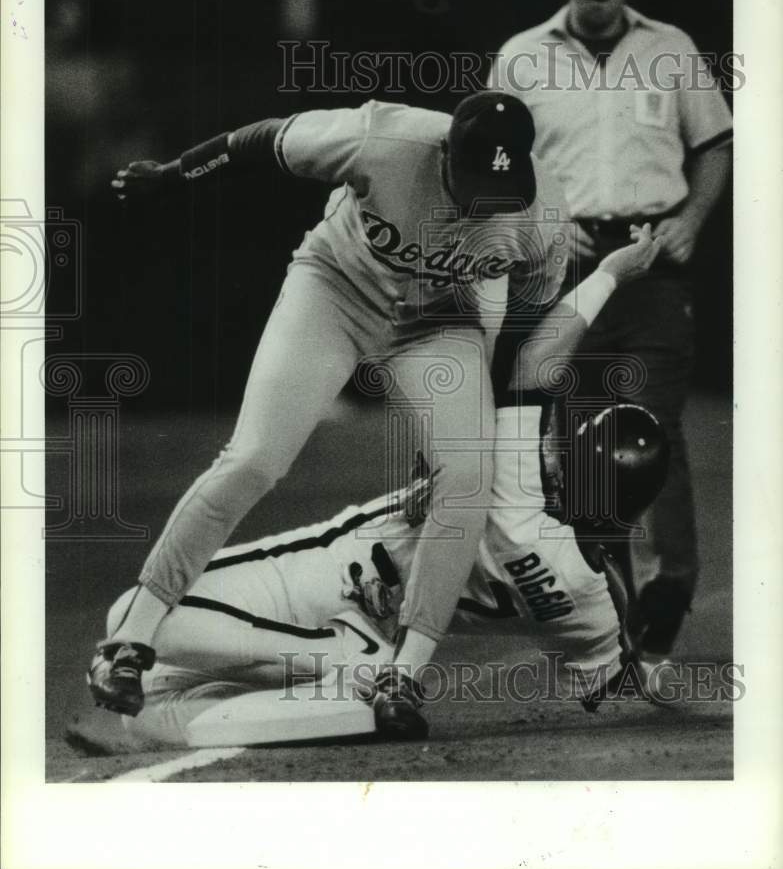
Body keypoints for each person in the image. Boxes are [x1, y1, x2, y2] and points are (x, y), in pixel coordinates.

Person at [89, 91, 572, 740]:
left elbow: (525, 324)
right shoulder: (385, 139)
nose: (490, 197)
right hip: (336, 288)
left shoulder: (540, 214)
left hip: (435, 323)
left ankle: (401, 673)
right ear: (445, 155)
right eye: (479, 180)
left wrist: (479, 424)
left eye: (502, 184)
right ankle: (130, 641)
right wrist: (176, 172)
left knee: (467, 479)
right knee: (255, 458)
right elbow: (261, 139)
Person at [76, 225, 666, 752]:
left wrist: (613, 272)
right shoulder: (593, 600)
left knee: (132, 612)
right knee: (150, 716)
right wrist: (651, 658)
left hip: (326, 576)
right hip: (373, 627)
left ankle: (360, 665)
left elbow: (536, 360)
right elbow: (613, 680)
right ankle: (360, 688)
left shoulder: (522, 489)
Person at [489, 0, 732, 656]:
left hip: (649, 262)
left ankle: (668, 589)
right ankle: (613, 613)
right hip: (560, 267)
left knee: (649, 424)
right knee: (580, 443)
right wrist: (534, 216)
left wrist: (688, 221)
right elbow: (493, 155)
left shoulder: (669, 47)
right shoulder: (522, 56)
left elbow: (714, 143)